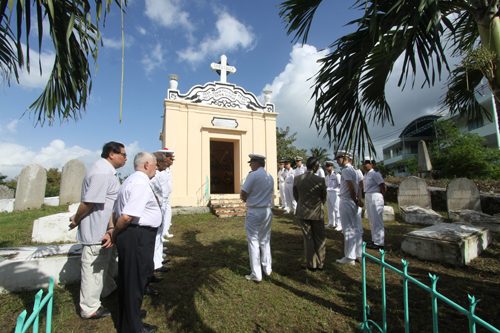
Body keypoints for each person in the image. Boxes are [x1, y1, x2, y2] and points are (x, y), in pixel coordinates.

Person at [69, 141, 126, 320]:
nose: (125, 158)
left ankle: (107, 289)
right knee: (94, 269)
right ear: (111, 154)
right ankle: (89, 307)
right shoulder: (102, 172)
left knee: (106, 264)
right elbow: (89, 201)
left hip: (107, 228)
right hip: (97, 229)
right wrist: (76, 219)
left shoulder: (108, 170)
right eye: (123, 155)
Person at [105, 152, 161, 333]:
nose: (157, 168)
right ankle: (132, 328)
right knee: (134, 283)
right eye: (155, 165)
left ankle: (130, 316)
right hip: (137, 236)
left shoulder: (128, 180)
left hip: (133, 235)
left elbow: (115, 211)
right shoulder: (141, 183)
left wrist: (113, 230)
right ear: (146, 165)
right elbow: (127, 216)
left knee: (129, 280)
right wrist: (114, 233)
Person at [240, 154, 274, 283]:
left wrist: (244, 198)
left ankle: (256, 273)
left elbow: (243, 192)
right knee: (265, 240)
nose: (250, 165)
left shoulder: (253, 175)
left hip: (254, 211)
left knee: (253, 241)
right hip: (266, 210)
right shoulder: (269, 176)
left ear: (256, 163)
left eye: (251, 162)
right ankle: (267, 268)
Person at [293, 157, 327, 271]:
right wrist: (318, 205)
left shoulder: (297, 179)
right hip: (317, 212)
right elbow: (324, 197)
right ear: (314, 167)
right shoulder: (320, 180)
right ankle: (321, 263)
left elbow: (295, 196)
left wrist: (302, 203)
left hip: (303, 212)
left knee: (308, 238)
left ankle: (312, 264)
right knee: (319, 237)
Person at [335, 149, 363, 266]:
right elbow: (360, 187)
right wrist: (358, 199)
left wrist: (355, 199)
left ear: (345, 159)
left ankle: (350, 257)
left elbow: (351, 187)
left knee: (348, 229)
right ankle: (359, 254)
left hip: (347, 200)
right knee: (356, 228)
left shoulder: (346, 170)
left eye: (338, 159)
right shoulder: (355, 170)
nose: (337, 161)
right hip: (353, 201)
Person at [150, 150, 172, 274]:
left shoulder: (161, 172)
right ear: (158, 163)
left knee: (158, 235)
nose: (167, 163)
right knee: (156, 234)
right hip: (156, 207)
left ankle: (158, 259)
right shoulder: (155, 174)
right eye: (165, 161)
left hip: (161, 205)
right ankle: (155, 262)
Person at [362, 157, 387, 250]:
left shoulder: (375, 174)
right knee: (371, 219)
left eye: (367, 163)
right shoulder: (366, 174)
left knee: (377, 220)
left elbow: (382, 186)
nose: (365, 164)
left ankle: (379, 242)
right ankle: (374, 239)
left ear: (372, 164)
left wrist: (382, 196)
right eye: (364, 163)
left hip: (375, 195)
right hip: (368, 196)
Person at [324, 161, 342, 231]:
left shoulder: (336, 175)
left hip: (335, 193)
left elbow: (340, 185)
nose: (327, 168)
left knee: (336, 208)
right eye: (326, 166)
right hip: (329, 192)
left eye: (328, 166)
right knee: (329, 208)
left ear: (332, 167)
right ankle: (331, 222)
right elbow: (326, 185)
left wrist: (340, 194)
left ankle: (339, 224)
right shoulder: (327, 176)